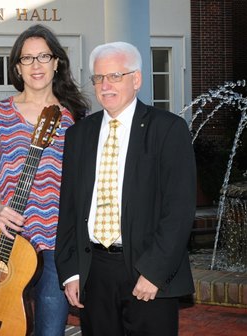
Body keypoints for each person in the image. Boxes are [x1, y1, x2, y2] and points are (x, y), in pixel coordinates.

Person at [55, 41, 197, 336]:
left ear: (136, 79)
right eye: (98, 78)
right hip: (93, 272)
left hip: (146, 272)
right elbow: (68, 209)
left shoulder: (168, 129)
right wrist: (70, 271)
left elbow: (179, 210)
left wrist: (154, 272)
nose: (105, 85)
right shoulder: (78, 135)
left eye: (115, 76)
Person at [0, 24, 90, 336]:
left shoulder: (74, 117)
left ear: (56, 62)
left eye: (43, 56)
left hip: (57, 243)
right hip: (7, 241)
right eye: (27, 59)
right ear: (17, 67)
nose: (36, 65)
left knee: (50, 331)